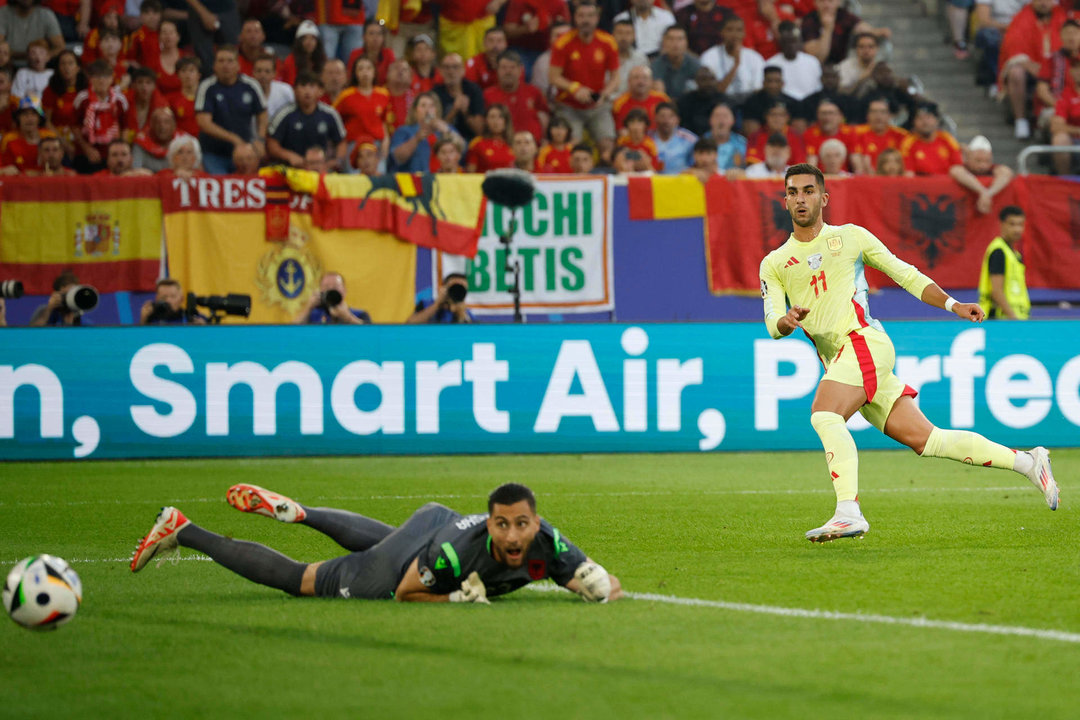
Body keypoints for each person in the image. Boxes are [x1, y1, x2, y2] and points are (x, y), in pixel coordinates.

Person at [758, 163, 1058, 543]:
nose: (800, 198)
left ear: (824, 198)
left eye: (808, 190)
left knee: (825, 414)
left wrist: (953, 305)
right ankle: (1029, 462)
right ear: (784, 201)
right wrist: (787, 320)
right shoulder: (774, 263)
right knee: (929, 440)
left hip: (864, 341)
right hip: (840, 358)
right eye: (792, 192)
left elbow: (906, 274)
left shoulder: (850, 237)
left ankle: (848, 512)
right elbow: (773, 324)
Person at [130, 482, 622, 605]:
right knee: (305, 580)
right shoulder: (455, 555)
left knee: (390, 544)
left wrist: (596, 585)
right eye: (503, 525)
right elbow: (408, 592)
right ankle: (183, 529)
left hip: (431, 523)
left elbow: (600, 580)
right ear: (491, 525)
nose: (514, 535)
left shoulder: (552, 544)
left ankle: (303, 513)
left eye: (522, 525)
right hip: (430, 550)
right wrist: (452, 598)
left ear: (536, 523)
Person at [548, 1, 620, 163]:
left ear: (597, 18)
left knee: (608, 144)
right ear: (574, 18)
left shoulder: (608, 41)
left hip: (597, 104)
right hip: (569, 105)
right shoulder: (562, 43)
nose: (585, 20)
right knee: (573, 147)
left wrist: (605, 94)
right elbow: (553, 77)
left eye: (589, 16)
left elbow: (616, 77)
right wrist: (575, 88)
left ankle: (606, 178)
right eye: (581, 16)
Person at [997, 0, 1065, 140]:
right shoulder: (1022, 18)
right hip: (1032, 70)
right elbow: (1013, 47)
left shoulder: (1062, 18)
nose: (1044, 3)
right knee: (1016, 71)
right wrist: (1027, 63)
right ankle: (1020, 120)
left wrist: (1052, 67)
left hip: (1058, 68)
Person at [196, 45, 267, 174]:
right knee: (220, 189)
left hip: (244, 153)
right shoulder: (207, 87)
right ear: (214, 66)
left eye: (230, 61)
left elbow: (262, 114)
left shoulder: (251, 85)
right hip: (214, 153)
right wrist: (233, 139)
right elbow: (204, 123)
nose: (225, 65)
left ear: (238, 65)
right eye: (221, 61)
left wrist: (260, 139)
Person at [267, 72, 347, 170]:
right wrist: (289, 156)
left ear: (320, 91)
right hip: (291, 169)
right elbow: (272, 143)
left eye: (312, 86)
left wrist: (336, 161)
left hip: (322, 169)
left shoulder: (330, 114)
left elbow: (341, 141)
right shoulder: (284, 114)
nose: (307, 91)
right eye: (303, 86)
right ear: (294, 90)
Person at [978, 205, 1030, 320]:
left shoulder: (1015, 255)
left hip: (1015, 318)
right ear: (1001, 224)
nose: (1017, 229)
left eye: (1020, 224)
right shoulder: (999, 251)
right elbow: (996, 291)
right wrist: (1013, 318)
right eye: (1012, 224)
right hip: (1001, 319)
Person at [699, 15, 765, 106]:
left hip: (749, 104)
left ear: (744, 33)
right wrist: (735, 65)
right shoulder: (709, 56)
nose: (734, 34)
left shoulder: (755, 57)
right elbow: (715, 93)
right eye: (729, 30)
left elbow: (758, 91)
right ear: (722, 32)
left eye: (739, 30)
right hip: (719, 103)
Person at [389, 92, 462, 173]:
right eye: (423, 106)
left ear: (436, 110)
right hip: (414, 181)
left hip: (442, 180)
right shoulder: (404, 131)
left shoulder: (446, 128)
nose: (428, 110)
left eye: (432, 106)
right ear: (415, 111)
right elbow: (397, 158)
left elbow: (463, 150)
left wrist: (447, 131)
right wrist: (416, 139)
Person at [800, 0, 889, 67]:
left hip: (840, 65)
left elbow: (862, 28)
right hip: (815, 66)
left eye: (830, 1)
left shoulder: (843, 15)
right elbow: (818, 58)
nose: (826, 5)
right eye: (822, 1)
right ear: (815, 3)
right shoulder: (809, 21)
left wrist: (878, 32)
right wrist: (828, 29)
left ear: (838, 2)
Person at [950, 135, 1015, 215]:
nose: (982, 166)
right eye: (978, 161)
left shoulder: (994, 169)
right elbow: (956, 171)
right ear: (968, 158)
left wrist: (988, 193)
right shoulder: (962, 168)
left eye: (987, 161)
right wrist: (982, 191)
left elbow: (1006, 172)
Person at [765, 21, 822, 103]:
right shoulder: (771, 63)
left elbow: (818, 88)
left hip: (809, 104)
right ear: (781, 43)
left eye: (794, 41)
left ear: (800, 42)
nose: (790, 45)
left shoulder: (812, 61)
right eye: (787, 42)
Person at [899, 103, 963, 176]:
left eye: (928, 117)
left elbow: (958, 166)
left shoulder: (947, 139)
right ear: (913, 123)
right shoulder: (908, 143)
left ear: (937, 120)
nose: (925, 122)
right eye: (920, 118)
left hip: (947, 185)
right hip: (921, 186)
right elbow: (909, 174)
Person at [851, 96, 909, 175]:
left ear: (889, 115)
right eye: (874, 112)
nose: (878, 116)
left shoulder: (901, 135)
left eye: (883, 112)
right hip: (868, 179)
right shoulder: (856, 133)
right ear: (867, 115)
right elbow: (858, 164)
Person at [435, 52, 485, 142]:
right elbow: (435, 131)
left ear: (463, 70)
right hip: (444, 142)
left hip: (470, 142)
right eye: (446, 67)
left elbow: (480, 130)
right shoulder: (435, 93)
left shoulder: (473, 90)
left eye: (455, 67)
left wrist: (465, 112)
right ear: (441, 71)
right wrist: (454, 110)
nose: (451, 71)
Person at [294, 271, 371, 324]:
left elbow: (372, 334)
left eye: (335, 286)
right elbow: (290, 333)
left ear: (344, 291)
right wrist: (308, 308)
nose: (331, 289)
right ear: (320, 290)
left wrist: (348, 318)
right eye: (326, 287)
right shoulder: (313, 315)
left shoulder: (359, 314)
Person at [0, 0, 64, 61]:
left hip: (40, 67)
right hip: (8, 64)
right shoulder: (2, 13)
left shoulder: (46, 14)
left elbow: (60, 47)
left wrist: (43, 57)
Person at [612, 65, 670, 131]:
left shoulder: (662, 99)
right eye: (636, 78)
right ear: (629, 82)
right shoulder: (619, 104)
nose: (641, 82)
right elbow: (621, 131)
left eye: (645, 78)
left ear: (651, 81)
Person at [650, 25, 699, 99]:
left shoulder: (695, 64)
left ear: (686, 43)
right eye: (671, 39)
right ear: (664, 42)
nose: (675, 43)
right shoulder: (656, 65)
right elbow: (657, 95)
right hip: (665, 106)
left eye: (680, 39)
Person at [1050, 57, 1080, 175]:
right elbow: (1056, 127)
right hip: (1074, 142)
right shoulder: (1066, 95)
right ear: (1070, 71)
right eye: (1075, 67)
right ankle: (1065, 180)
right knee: (1060, 139)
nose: (1078, 71)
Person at [465, 103, 515, 172]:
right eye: (492, 117)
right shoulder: (477, 143)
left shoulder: (515, 143)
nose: (496, 121)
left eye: (500, 117)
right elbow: (470, 174)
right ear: (486, 121)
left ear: (506, 121)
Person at [651, 102, 696, 175]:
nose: (666, 121)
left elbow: (697, 164)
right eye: (662, 116)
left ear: (677, 120)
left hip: (680, 183)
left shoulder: (689, 140)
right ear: (655, 118)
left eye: (671, 116)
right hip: (654, 182)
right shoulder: (648, 139)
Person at [408, 273, 474, 324]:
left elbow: (476, 332)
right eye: (454, 288)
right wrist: (436, 305)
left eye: (461, 289)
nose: (457, 291)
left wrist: (461, 314)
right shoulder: (426, 304)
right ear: (444, 288)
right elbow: (410, 324)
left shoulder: (466, 313)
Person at [279, 20, 327, 86]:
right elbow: (291, 84)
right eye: (305, 38)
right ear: (299, 42)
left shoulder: (322, 59)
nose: (309, 42)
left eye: (313, 38)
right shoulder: (291, 60)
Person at [132, 106, 180, 171]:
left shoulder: (184, 143)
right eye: (158, 122)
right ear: (151, 125)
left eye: (166, 122)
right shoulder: (140, 144)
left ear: (174, 125)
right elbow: (135, 171)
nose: (162, 126)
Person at [140, 278, 205, 324]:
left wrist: (202, 329)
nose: (168, 300)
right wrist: (143, 320)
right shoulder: (150, 319)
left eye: (172, 296)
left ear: (181, 299)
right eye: (163, 297)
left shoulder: (192, 318)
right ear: (157, 298)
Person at [703, 100, 745, 171]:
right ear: (710, 120)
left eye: (725, 116)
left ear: (733, 120)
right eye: (717, 116)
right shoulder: (701, 142)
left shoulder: (742, 143)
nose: (721, 120)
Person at [610, 18, 647, 96]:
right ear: (612, 34)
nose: (624, 37)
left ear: (634, 36)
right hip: (606, 104)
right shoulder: (604, 57)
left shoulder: (641, 59)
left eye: (628, 33)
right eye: (620, 33)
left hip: (632, 103)